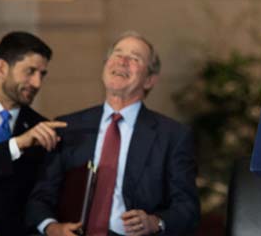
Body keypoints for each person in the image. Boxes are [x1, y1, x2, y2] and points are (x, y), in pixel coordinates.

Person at [26, 31, 200, 235]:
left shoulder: (173, 136)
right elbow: (40, 198)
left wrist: (155, 222)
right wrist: (52, 228)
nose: (123, 61)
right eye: (117, 54)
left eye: (135, 58)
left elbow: (188, 209)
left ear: (149, 80)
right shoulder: (68, 127)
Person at [0, 31, 66, 236]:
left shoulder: (42, 129)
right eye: (30, 71)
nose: (37, 83)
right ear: (2, 67)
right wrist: (17, 144)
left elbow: (35, 202)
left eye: (42, 74)